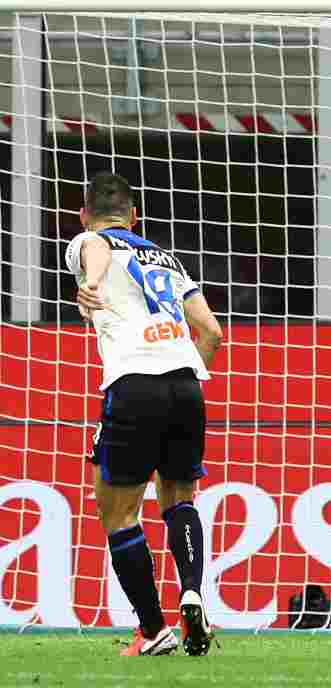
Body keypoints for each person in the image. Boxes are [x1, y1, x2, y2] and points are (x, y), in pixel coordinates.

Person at [68, 172, 224, 657]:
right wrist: (186, 372)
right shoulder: (168, 259)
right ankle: (193, 592)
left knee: (117, 512)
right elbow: (213, 333)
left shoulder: (87, 241)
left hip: (133, 386)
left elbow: (95, 249)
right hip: (185, 383)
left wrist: (91, 282)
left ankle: (154, 630)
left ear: (84, 214)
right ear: (136, 216)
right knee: (180, 497)